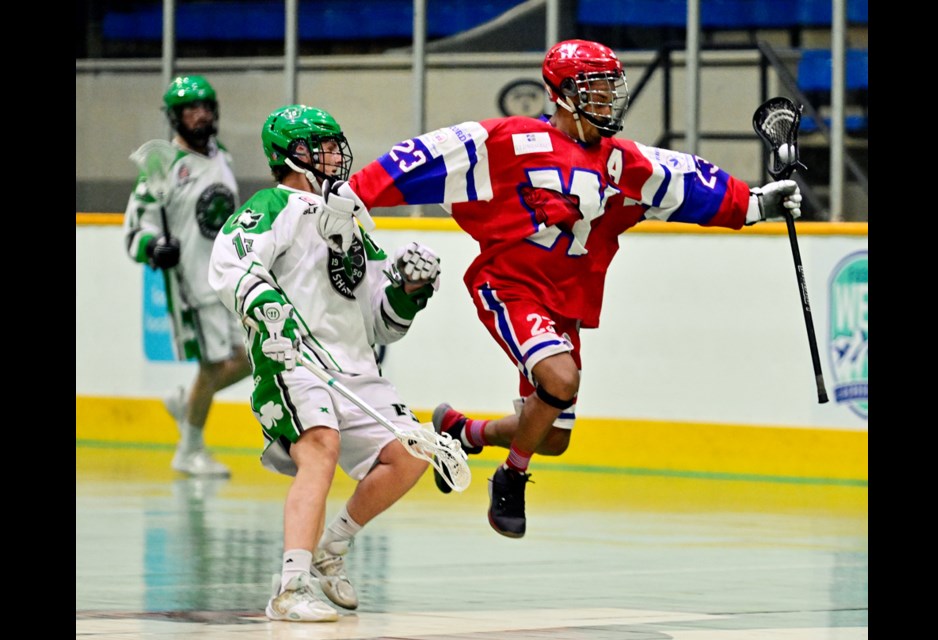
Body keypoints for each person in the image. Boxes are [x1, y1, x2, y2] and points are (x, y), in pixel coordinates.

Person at [317, 39, 802, 539]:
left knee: (552, 436)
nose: (608, 97)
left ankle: (461, 431)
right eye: (595, 87)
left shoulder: (623, 161)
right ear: (563, 93)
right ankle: (511, 477)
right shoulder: (509, 141)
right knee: (561, 380)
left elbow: (689, 185)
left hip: (566, 301)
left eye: (612, 87)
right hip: (510, 285)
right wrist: (357, 191)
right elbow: (425, 156)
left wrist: (756, 204)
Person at [209, 104, 441, 622]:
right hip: (293, 360)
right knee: (321, 447)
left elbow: (382, 324)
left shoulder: (356, 216)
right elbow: (230, 264)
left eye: (336, 143)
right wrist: (268, 307)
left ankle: (331, 549)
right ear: (288, 154)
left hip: (354, 365)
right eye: (322, 145)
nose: (335, 154)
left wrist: (408, 289)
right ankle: (289, 589)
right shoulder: (272, 204)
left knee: (412, 453)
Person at [124, 75, 251, 477]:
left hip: (229, 279)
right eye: (189, 109)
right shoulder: (163, 168)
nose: (199, 115)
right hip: (194, 285)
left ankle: (187, 400)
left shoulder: (220, 155)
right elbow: (134, 230)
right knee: (214, 366)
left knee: (250, 357)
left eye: (205, 107)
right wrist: (152, 248)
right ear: (175, 118)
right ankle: (189, 449)